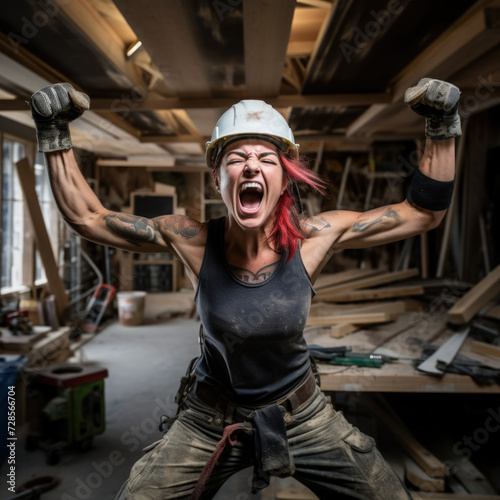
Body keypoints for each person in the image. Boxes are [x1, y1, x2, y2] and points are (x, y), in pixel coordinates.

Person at [29, 77, 460, 500]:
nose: (252, 165)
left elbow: (422, 213)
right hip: (209, 417)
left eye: (267, 159)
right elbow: (88, 217)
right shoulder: (192, 239)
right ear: (218, 179)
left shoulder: (315, 238)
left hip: (303, 414)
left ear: (284, 179)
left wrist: (442, 125)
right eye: (237, 158)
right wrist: (54, 133)